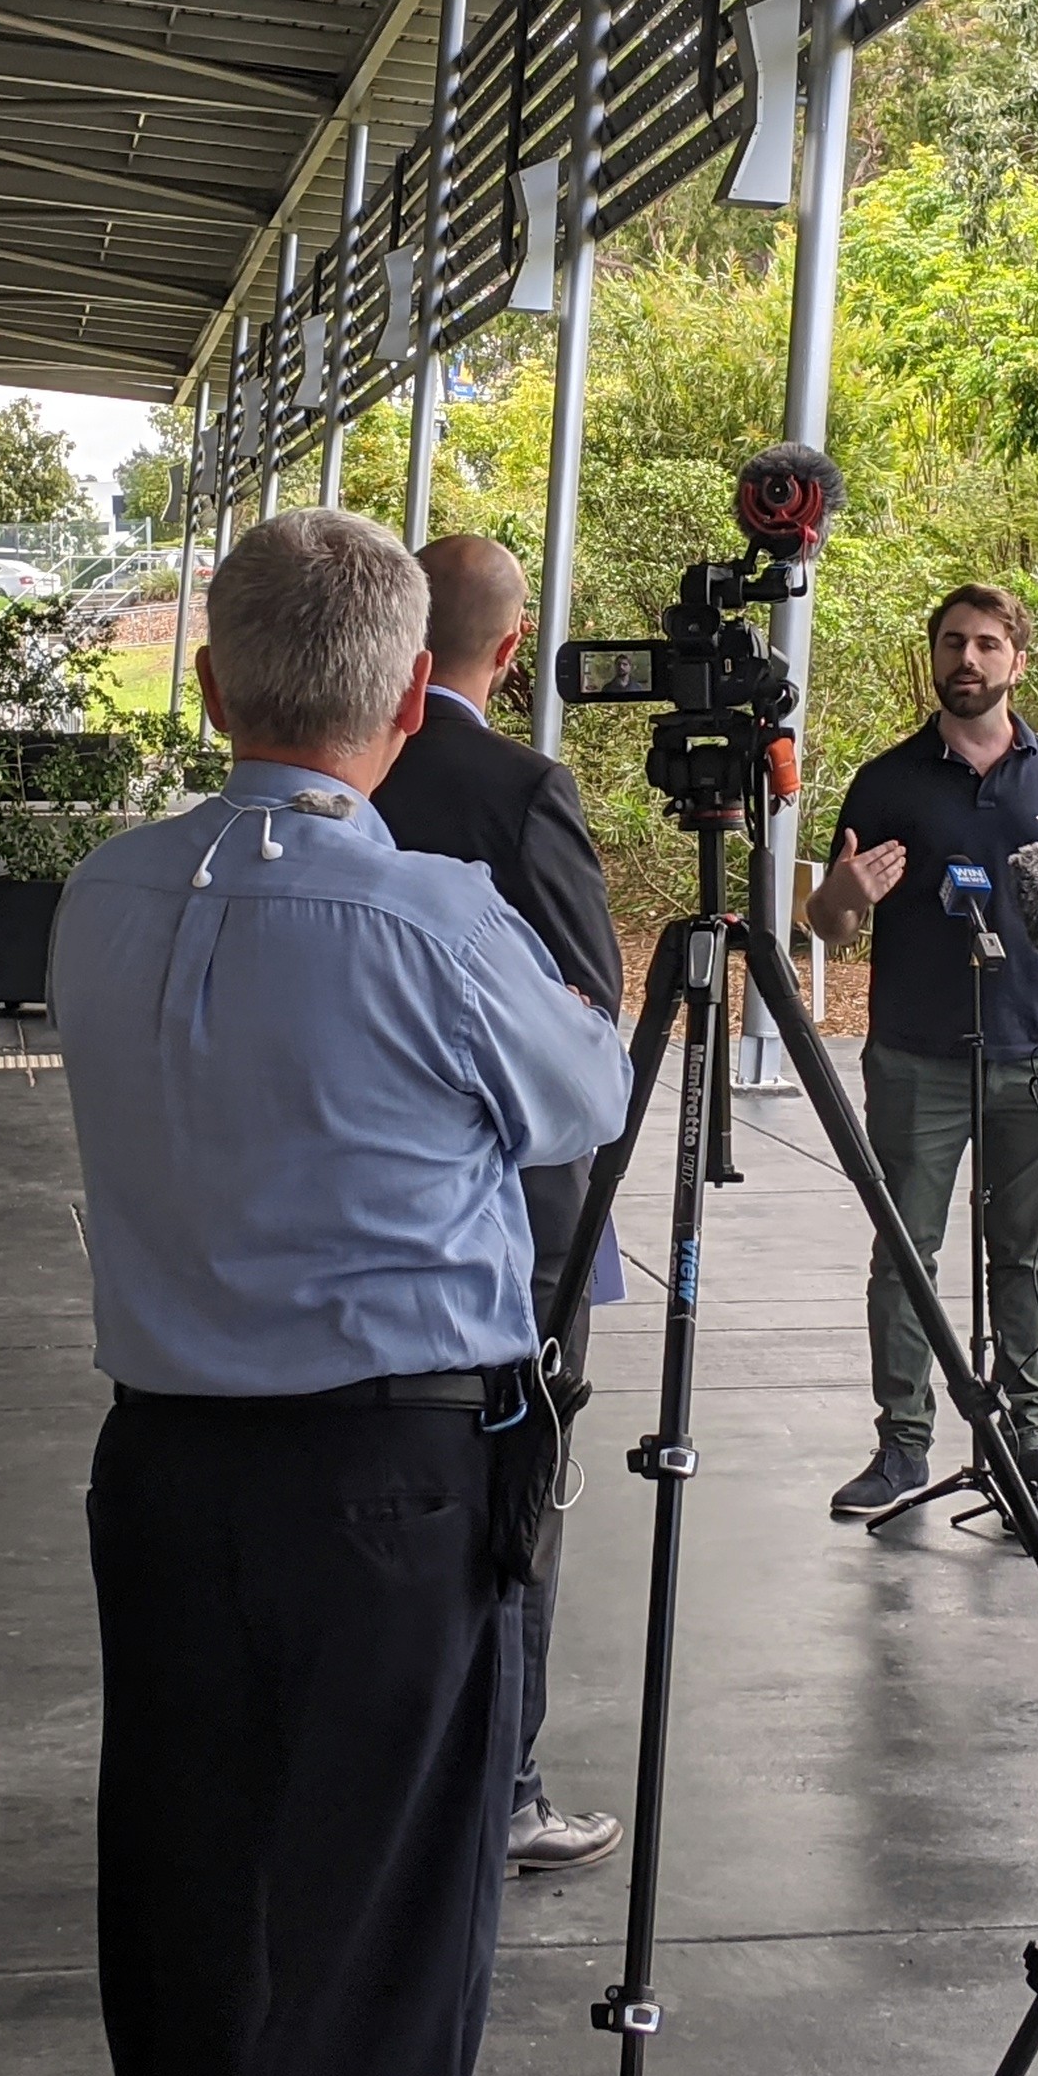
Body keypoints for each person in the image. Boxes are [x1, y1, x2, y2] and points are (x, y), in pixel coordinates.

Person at [53, 509, 628, 2076]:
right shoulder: (433, 917)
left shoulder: (104, 894)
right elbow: (583, 1099)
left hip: (164, 1466)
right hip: (391, 1479)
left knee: (185, 1903)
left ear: (212, 687)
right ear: (405, 705)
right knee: (379, 1934)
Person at [371, 532, 626, 1879]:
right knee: (520, 1504)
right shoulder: (522, 788)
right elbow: (593, 1016)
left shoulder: (351, 773)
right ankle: (507, 1788)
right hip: (521, 1217)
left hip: (375, 1207)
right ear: (513, 648)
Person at [806, 584, 1038, 1516]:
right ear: (934, 655)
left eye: (986, 644)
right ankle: (903, 1447)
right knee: (906, 1254)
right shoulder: (886, 782)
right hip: (917, 1060)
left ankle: (1032, 1444)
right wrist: (845, 895)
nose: (967, 660)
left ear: (1018, 660)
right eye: (952, 642)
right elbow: (829, 923)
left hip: (1037, 1059)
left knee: (1028, 1256)